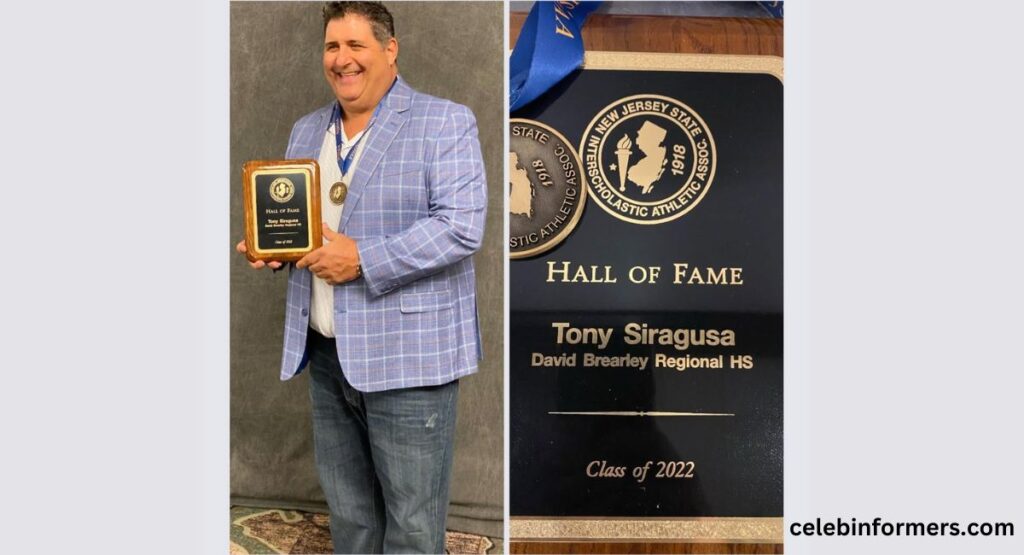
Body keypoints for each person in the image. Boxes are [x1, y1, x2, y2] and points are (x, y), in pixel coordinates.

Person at [236, 2, 487, 552]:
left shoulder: (444, 120)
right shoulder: (306, 130)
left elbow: (461, 227)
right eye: (332, 46)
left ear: (389, 50)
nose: (342, 60)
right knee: (351, 518)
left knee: (414, 525)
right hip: (326, 355)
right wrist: (274, 251)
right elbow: (303, 230)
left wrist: (364, 259)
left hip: (410, 357)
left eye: (356, 46)